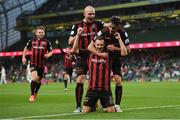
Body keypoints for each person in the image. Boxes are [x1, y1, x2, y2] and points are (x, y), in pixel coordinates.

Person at [88, 16, 130, 112]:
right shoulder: (103, 31)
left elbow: (127, 51)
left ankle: (117, 105)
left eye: (113, 28)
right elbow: (90, 47)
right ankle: (94, 102)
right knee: (96, 81)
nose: (111, 29)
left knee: (118, 80)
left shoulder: (123, 33)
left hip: (115, 59)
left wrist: (116, 47)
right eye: (110, 26)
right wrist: (100, 54)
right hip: (103, 58)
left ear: (118, 27)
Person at [69, 6, 106, 112]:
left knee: (94, 81)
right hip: (81, 55)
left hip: (94, 55)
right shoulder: (77, 26)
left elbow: (108, 26)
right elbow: (69, 41)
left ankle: (94, 103)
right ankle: (78, 106)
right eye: (90, 14)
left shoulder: (98, 24)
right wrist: (78, 34)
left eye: (93, 14)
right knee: (80, 79)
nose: (92, 16)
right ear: (84, 14)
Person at [82, 35, 115, 113]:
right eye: (97, 44)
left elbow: (124, 52)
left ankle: (106, 105)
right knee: (85, 111)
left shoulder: (109, 54)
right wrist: (77, 35)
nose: (99, 46)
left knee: (111, 111)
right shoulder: (89, 54)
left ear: (104, 45)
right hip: (92, 90)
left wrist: (119, 39)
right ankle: (94, 105)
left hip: (105, 90)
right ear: (94, 44)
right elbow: (74, 50)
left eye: (101, 45)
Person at [22, 26, 53, 102]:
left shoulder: (47, 42)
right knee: (34, 78)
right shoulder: (31, 41)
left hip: (42, 64)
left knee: (39, 81)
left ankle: (35, 92)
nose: (40, 33)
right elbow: (26, 48)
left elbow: (51, 51)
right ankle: (32, 94)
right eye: (39, 32)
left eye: (42, 32)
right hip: (33, 63)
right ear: (36, 33)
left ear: (44, 33)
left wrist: (48, 55)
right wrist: (23, 57)